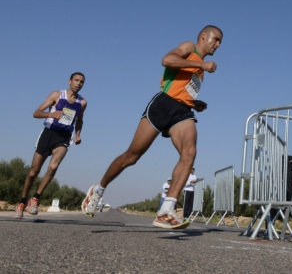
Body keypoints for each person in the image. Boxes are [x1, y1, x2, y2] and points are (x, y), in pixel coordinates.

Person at [81, 26, 223, 229]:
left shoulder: (201, 70)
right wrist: (200, 63)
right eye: (216, 40)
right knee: (131, 156)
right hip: (163, 104)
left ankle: (167, 210)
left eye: (219, 42)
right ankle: (98, 189)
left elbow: (182, 88)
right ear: (203, 36)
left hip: (182, 112)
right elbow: (166, 60)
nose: (217, 45)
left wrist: (194, 103)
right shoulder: (189, 47)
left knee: (189, 152)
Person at [13, 72, 87, 219]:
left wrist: (77, 135)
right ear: (69, 81)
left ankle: (35, 199)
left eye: (81, 82)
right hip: (48, 133)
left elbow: (79, 121)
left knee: (53, 167)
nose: (78, 83)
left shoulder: (82, 103)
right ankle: (22, 202)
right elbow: (36, 113)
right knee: (34, 171)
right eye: (76, 80)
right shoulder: (57, 95)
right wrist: (51, 115)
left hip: (64, 137)